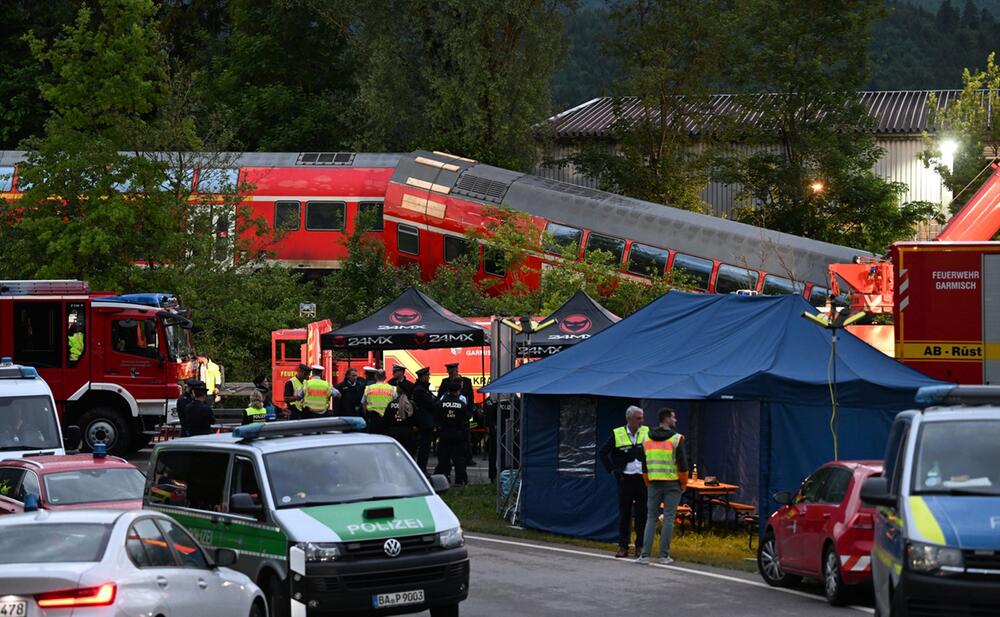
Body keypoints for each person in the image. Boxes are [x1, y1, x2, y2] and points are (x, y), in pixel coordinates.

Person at [637, 407, 689, 566]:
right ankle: (663, 555)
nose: (675, 420)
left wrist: (648, 482)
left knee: (651, 518)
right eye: (673, 417)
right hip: (672, 483)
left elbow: (644, 465)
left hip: (653, 483)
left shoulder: (646, 438)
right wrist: (683, 483)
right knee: (668, 518)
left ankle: (644, 555)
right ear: (666, 419)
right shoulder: (676, 439)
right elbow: (683, 465)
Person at [599, 405, 649, 558]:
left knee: (642, 514)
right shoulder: (618, 433)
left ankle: (640, 546)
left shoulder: (647, 432)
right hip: (625, 478)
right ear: (629, 419)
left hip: (642, 478)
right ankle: (623, 546)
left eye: (642, 418)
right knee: (625, 514)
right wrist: (613, 470)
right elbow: (603, 452)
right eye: (638, 418)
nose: (641, 421)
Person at [434, 379, 472, 485]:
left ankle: (443, 480)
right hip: (458, 435)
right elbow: (466, 419)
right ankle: (460, 481)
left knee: (444, 459)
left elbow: (436, 418)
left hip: (445, 435)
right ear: (458, 391)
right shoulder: (461, 404)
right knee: (459, 460)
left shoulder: (440, 404)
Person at [411, 367, 440, 474]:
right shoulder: (420, 390)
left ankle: (421, 468)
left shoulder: (422, 389)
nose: (429, 377)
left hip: (424, 422)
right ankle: (421, 469)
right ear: (423, 377)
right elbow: (431, 404)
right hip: (424, 423)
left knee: (424, 447)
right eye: (427, 376)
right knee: (424, 448)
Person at [384, 380, 417, 457]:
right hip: (407, 432)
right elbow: (415, 419)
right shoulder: (411, 404)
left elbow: (386, 419)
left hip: (394, 432)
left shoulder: (391, 404)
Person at [362, 369, 396, 434]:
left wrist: (366, 416)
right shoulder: (392, 389)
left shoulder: (369, 388)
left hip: (372, 419)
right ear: (385, 377)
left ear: (375, 377)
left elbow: (364, 405)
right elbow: (396, 404)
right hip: (388, 419)